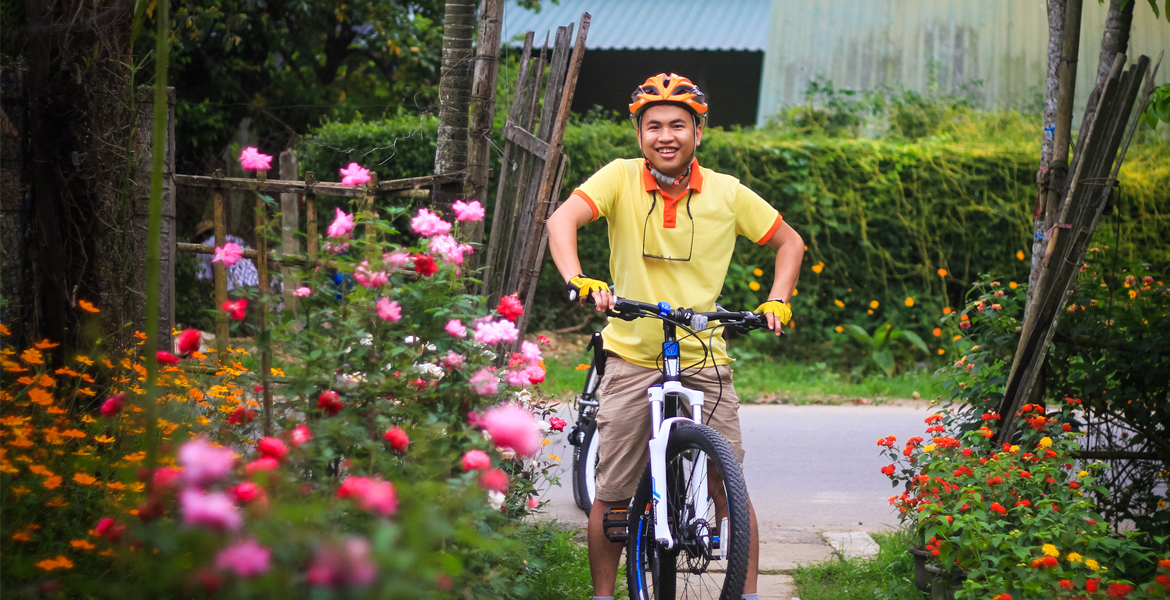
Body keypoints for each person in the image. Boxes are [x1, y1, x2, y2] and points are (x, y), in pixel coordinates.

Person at [546, 73, 804, 600]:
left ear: (698, 134)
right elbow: (562, 221)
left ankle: (747, 595)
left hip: (704, 351)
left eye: (679, 125)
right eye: (655, 125)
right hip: (630, 352)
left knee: (727, 485)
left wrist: (778, 298)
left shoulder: (727, 192)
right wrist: (579, 278)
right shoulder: (619, 178)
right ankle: (602, 595)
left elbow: (788, 242)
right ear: (640, 134)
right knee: (615, 492)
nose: (667, 135)